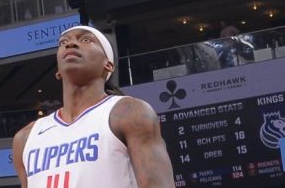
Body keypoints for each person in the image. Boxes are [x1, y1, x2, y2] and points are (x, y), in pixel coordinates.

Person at [12, 26, 175, 188]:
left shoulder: (128, 112)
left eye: (85, 40)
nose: (70, 44)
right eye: (63, 42)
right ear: (58, 72)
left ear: (108, 65)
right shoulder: (26, 138)